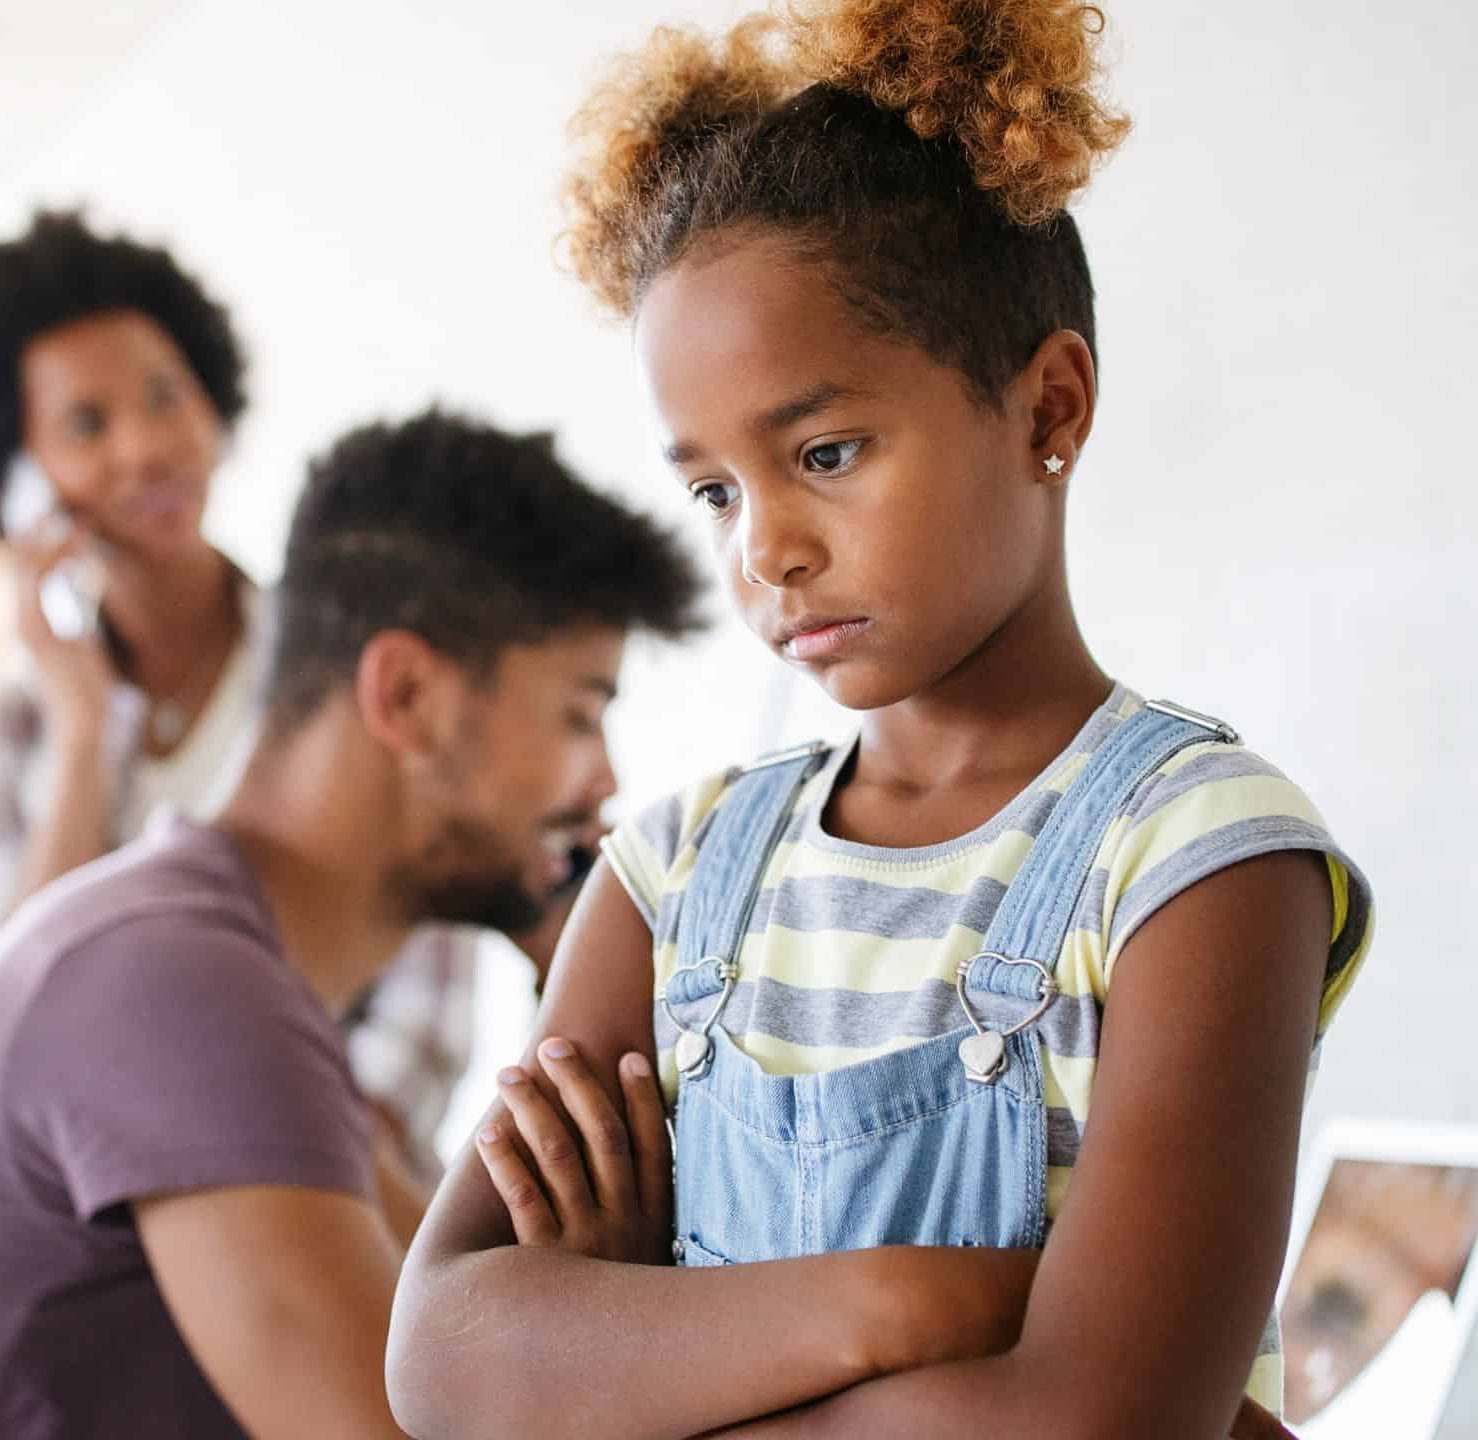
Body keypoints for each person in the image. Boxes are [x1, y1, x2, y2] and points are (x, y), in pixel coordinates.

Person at [387, 3, 1375, 1438]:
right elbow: (446, 1360)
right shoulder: (673, 876)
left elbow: (1087, 1425)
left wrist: (636, 1368)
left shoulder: (1200, 859)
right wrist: (911, 1304)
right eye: (715, 492)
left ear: (1049, 406)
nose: (764, 550)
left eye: (825, 453)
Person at [0, 408, 703, 1439]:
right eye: (580, 714)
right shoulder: (173, 982)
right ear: (405, 696)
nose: (605, 780)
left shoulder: (224, 985)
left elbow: (473, 1323)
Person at [0, 212, 559, 1187]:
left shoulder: (352, 674)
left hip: (343, 1184)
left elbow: (418, 1031)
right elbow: (8, 1020)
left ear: (213, 408)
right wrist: (83, 731)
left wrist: (265, 1168)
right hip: (94, 1206)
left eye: (165, 398)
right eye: (86, 425)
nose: (145, 448)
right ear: (21, 477)